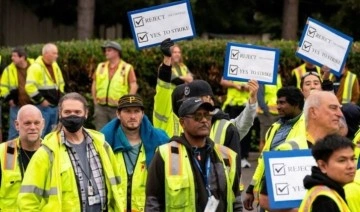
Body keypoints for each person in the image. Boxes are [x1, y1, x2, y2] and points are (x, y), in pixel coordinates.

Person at [18, 92, 123, 211]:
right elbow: (27, 201)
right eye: (67, 112)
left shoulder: (102, 146)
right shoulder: (47, 153)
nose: (72, 116)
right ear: (60, 114)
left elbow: (117, 187)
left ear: (86, 114)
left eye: (77, 112)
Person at [146, 97, 242, 211]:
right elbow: (153, 202)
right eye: (197, 116)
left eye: (207, 115)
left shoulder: (226, 155)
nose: (204, 120)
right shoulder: (165, 154)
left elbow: (236, 201)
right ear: (182, 122)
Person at [101, 94, 169, 211]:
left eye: (136, 111)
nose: (132, 116)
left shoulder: (160, 140)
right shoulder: (103, 142)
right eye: (127, 111)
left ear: (142, 114)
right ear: (118, 114)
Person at [243, 87, 307, 211]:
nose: (277, 106)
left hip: (293, 196)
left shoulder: (308, 125)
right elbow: (263, 160)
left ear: (296, 104)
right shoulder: (275, 127)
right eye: (277, 102)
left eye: (282, 103)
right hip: (268, 192)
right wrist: (251, 188)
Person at [0, 104, 44, 210]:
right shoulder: (6, 152)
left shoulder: (51, 152)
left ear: (43, 124)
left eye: (37, 123)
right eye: (27, 123)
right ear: (17, 125)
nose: (33, 127)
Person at [299, 134, 355, 212]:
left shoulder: (326, 192)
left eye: (353, 159)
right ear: (322, 166)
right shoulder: (324, 201)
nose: (351, 166)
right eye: (342, 160)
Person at [92, 40, 138, 130]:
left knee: (118, 132)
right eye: (105, 50)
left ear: (117, 52)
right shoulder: (101, 66)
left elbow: (133, 85)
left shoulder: (127, 67)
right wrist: (94, 101)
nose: (106, 52)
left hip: (118, 108)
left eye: (109, 50)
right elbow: (94, 83)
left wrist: (127, 102)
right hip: (101, 107)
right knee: (101, 133)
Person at [25, 43, 65, 137]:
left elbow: (61, 83)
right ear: (46, 54)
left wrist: (61, 97)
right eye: (54, 53)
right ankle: (38, 151)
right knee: (40, 133)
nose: (57, 56)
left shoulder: (54, 65)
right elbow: (29, 87)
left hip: (54, 106)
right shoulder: (35, 67)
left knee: (51, 134)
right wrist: (41, 100)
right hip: (43, 107)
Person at [1, 47, 34, 140]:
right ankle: (10, 155)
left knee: (34, 133)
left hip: (34, 106)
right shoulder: (8, 70)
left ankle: (33, 154)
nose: (12, 58)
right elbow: (2, 88)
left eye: (14, 56)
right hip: (16, 106)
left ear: (22, 57)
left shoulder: (35, 66)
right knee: (13, 134)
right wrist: (10, 99)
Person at [220, 78, 253, 167]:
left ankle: (242, 158)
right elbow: (223, 82)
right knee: (229, 131)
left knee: (246, 132)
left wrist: (246, 87)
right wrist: (235, 85)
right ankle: (227, 156)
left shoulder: (250, 69)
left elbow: (256, 86)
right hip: (231, 105)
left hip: (244, 104)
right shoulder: (232, 67)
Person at [257, 71, 282, 152]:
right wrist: (266, 111)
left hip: (278, 112)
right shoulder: (262, 77)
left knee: (276, 139)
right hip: (265, 113)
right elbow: (260, 97)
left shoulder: (277, 76)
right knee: (264, 139)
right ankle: (262, 161)